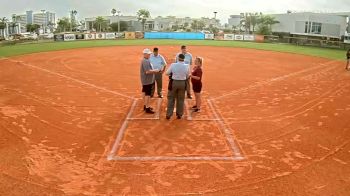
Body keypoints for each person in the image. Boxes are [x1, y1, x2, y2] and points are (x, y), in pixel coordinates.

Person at [166, 54, 190, 120]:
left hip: (174, 83)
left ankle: (168, 115)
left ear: (178, 58)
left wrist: (173, 74)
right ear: (184, 59)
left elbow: (167, 73)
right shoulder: (187, 66)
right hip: (182, 83)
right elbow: (187, 76)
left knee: (171, 98)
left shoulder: (173, 65)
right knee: (181, 99)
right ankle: (179, 114)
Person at [140, 48, 162, 114]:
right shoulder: (146, 61)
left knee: (144, 91)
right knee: (148, 94)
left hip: (145, 80)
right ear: (145, 54)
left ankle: (145, 105)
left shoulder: (145, 60)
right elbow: (147, 71)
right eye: (148, 54)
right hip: (147, 80)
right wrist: (156, 70)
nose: (149, 55)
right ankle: (147, 107)